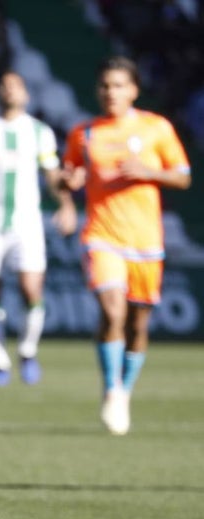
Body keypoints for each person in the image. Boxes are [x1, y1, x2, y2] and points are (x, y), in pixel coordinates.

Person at [61, 56, 191, 435]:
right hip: (102, 236)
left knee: (137, 323)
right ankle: (112, 389)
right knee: (112, 310)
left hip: (146, 241)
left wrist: (149, 172)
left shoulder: (156, 127)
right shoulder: (84, 134)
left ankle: (125, 389)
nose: (110, 92)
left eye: (118, 85)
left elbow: (183, 176)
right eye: (105, 85)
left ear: (133, 90)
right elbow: (68, 175)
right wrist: (67, 189)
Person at [0, 70, 77, 387]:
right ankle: (0, 361)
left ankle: (27, 351)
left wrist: (66, 203)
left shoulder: (39, 131)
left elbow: (52, 174)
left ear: (26, 93)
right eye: (4, 85)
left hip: (27, 218)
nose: (9, 90)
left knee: (31, 288)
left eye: (16, 86)